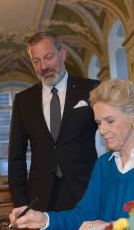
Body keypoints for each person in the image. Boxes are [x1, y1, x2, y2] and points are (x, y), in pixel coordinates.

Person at [9, 79, 134, 230]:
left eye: (110, 121)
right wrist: (42, 219)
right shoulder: (104, 165)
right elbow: (84, 215)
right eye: (98, 123)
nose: (102, 130)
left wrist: (114, 228)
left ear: (133, 117)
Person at [8, 31, 99, 213]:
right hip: (42, 199)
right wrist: (20, 203)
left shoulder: (92, 89)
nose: (43, 66)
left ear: (62, 54)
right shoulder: (23, 101)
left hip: (86, 191)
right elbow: (16, 157)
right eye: (36, 61)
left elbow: (115, 130)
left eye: (48, 57)